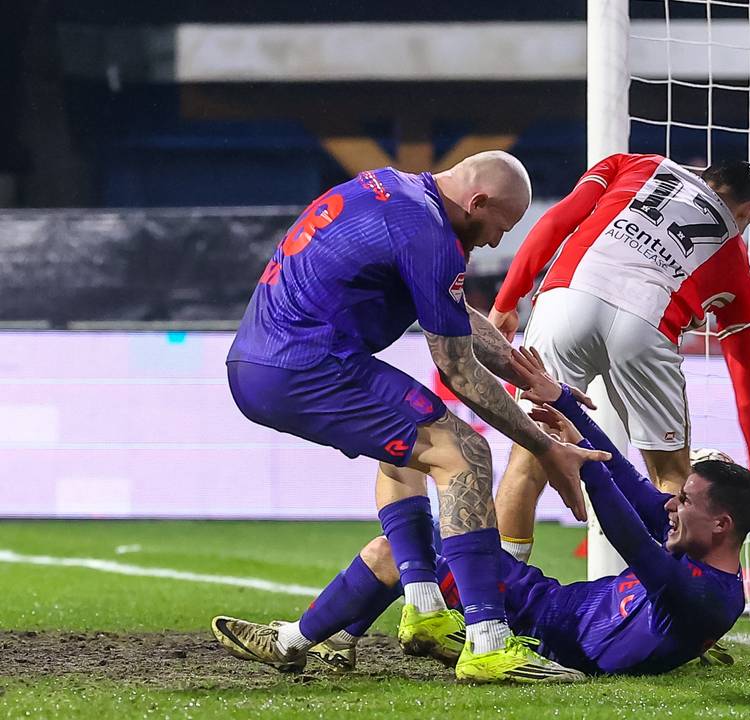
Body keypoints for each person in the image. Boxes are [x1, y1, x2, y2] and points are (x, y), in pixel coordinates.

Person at [216, 152, 607, 684]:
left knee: (409, 454)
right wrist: (544, 446)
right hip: (304, 364)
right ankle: (489, 642)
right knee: (465, 453)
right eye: (502, 226)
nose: (495, 241)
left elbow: (456, 315)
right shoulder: (426, 231)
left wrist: (532, 376)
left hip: (267, 359)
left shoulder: (396, 193)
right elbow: (458, 369)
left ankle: (423, 606)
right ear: (479, 202)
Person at [212, 348, 750, 677]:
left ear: (722, 524)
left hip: (527, 626)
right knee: (415, 516)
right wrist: (566, 408)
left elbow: (630, 536)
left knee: (396, 522)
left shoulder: (707, 593)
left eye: (685, 501)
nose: (671, 507)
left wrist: (579, 467)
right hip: (541, 601)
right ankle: (343, 638)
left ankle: (292, 644)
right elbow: (622, 472)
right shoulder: (705, 574)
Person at [485, 155, 750, 563]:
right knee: (672, 478)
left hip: (567, 297)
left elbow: (557, 220)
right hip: (646, 324)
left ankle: (494, 609)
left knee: (530, 456)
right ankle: (671, 613)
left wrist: (506, 299)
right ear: (748, 212)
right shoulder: (733, 256)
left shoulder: (635, 164)